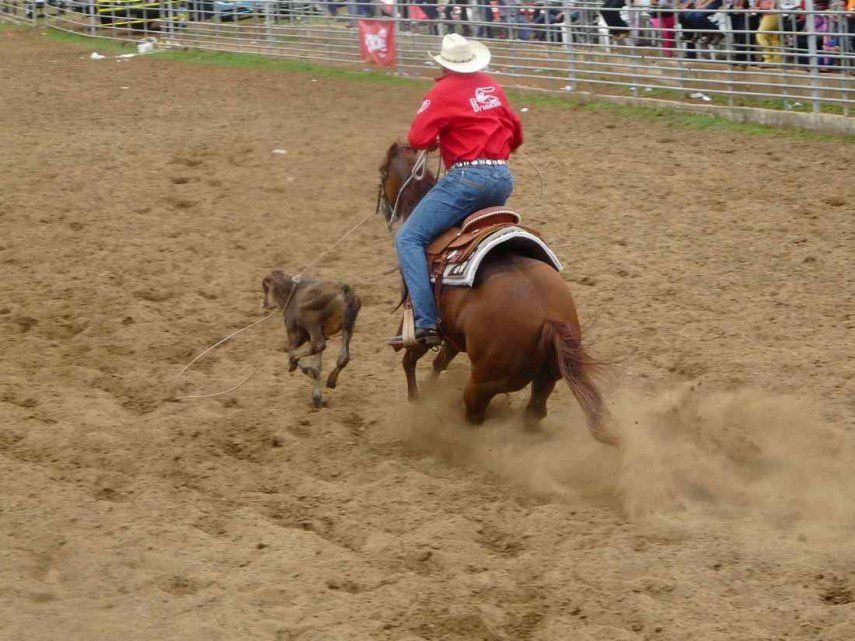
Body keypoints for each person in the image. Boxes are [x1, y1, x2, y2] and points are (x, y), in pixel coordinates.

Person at [391, 34, 523, 346]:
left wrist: (443, 137)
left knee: (408, 238)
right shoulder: (493, 87)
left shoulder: (442, 91)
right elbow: (515, 133)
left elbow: (418, 138)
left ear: (444, 62)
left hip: (466, 180)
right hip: (502, 178)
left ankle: (425, 322)